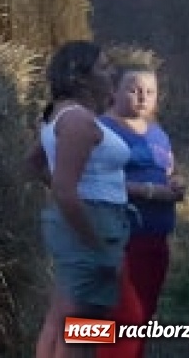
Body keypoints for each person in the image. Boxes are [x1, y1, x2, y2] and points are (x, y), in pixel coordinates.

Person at [29, 41, 131, 358]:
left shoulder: (62, 116)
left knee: (61, 320)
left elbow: (34, 164)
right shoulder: (78, 122)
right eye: (103, 67)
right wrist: (98, 248)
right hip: (93, 224)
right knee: (84, 329)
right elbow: (63, 189)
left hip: (79, 222)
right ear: (80, 77)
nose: (111, 72)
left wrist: (73, 191)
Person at [97, 58, 185, 358]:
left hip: (155, 240)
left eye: (150, 91)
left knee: (143, 317)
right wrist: (148, 192)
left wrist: (176, 182)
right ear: (114, 92)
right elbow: (95, 181)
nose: (143, 97)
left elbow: (170, 168)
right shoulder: (103, 131)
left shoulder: (156, 131)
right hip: (122, 240)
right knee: (124, 320)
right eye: (134, 90)